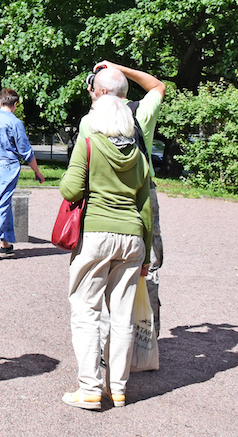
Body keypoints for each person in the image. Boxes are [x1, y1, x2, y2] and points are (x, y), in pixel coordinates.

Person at [60, 94, 153, 411]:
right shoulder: (140, 158)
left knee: (86, 311)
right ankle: (118, 389)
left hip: (97, 236)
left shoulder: (88, 146)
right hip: (132, 240)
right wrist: (148, 255)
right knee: (123, 316)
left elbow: (70, 190)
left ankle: (89, 388)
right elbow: (147, 209)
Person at [81, 60, 166, 335]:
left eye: (93, 89)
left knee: (100, 270)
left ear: (102, 93)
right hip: (142, 196)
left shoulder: (88, 123)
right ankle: (145, 336)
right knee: (146, 267)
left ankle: (107, 341)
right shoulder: (141, 112)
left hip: (100, 200)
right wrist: (118, 69)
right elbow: (157, 86)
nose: (90, 93)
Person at [0, 87, 45, 260]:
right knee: (2, 203)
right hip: (7, 167)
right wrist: (37, 171)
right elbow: (26, 152)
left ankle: (5, 244)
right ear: (15, 104)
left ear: (0, 101)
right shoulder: (15, 123)